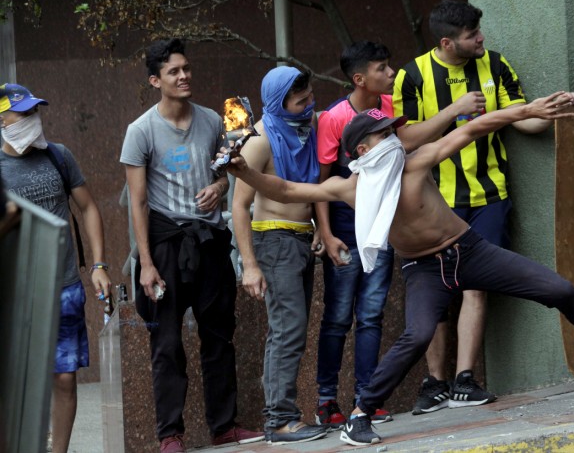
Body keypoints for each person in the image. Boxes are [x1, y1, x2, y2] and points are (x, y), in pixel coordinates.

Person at [224, 99, 574, 446]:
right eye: (384, 134)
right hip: (424, 269)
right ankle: (360, 415)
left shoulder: (415, 162)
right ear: (362, 151)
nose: (394, 139)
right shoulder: (349, 189)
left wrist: (528, 110)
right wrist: (245, 172)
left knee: (559, 289)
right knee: (417, 334)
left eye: (394, 131)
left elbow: (471, 129)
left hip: (470, 251)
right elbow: (286, 189)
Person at [393, 0, 574, 413]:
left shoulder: (495, 63)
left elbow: (522, 118)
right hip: (435, 204)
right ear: (447, 42)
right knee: (437, 295)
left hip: (490, 197)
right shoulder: (411, 75)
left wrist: (551, 111)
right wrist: (454, 111)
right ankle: (434, 382)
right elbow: (404, 140)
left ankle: (464, 380)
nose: (481, 38)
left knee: (476, 287)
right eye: (472, 34)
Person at [120, 39, 263, 453]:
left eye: (186, 68)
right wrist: (146, 264)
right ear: (155, 80)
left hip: (210, 241)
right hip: (165, 244)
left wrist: (218, 188)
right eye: (173, 71)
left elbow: (223, 174)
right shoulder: (140, 131)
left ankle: (224, 426)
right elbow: (138, 203)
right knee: (166, 343)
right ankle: (170, 435)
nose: (183, 76)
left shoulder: (213, 120)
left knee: (219, 335)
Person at [0, 83, 112, 453]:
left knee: (64, 379)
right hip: (15, 294)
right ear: (2, 121)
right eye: (23, 114)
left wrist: (98, 264)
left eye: (35, 111)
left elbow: (89, 207)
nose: (33, 119)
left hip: (63, 288)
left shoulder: (59, 156)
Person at [231, 65, 328, 445]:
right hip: (273, 240)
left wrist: (319, 228)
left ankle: (283, 416)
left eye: (310, 97)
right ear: (278, 102)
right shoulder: (259, 141)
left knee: (293, 329)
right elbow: (240, 206)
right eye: (300, 101)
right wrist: (250, 266)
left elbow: (313, 186)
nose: (309, 105)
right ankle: (280, 420)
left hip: (301, 238)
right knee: (287, 330)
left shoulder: (306, 128)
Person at [313, 41, 397, 429]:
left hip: (381, 226)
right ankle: (326, 400)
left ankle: (368, 398)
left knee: (372, 314)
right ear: (360, 78)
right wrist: (326, 232)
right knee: (337, 317)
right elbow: (322, 182)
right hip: (345, 228)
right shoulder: (334, 117)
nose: (391, 73)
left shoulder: (390, 107)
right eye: (382, 68)